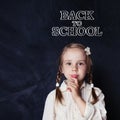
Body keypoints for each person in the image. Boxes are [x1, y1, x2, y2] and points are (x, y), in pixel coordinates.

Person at [42, 43, 107, 120]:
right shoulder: (53, 96)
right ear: (61, 68)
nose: (74, 68)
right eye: (69, 63)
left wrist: (78, 98)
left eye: (80, 63)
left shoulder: (96, 94)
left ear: (88, 68)